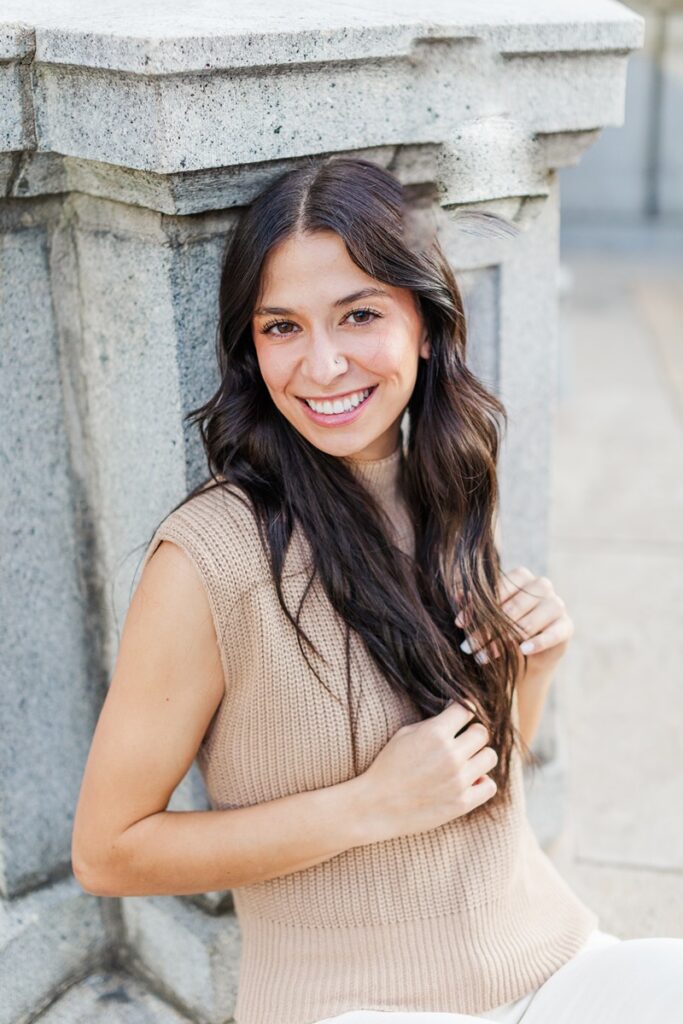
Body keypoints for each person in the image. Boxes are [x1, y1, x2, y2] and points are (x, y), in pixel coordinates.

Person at [71, 157, 683, 1024]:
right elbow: (108, 851)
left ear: (425, 325)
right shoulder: (210, 557)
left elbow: (477, 779)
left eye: (358, 315)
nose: (321, 366)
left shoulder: (451, 476)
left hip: (552, 966)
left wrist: (529, 669)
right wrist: (366, 807)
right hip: (352, 1004)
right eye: (281, 327)